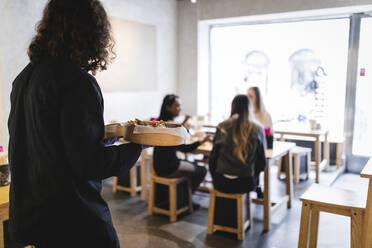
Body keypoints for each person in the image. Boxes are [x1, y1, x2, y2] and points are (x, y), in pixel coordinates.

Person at [7, 0, 144, 247]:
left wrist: (101, 137)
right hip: (72, 222)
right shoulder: (78, 82)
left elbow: (47, 143)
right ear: (92, 31)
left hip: (33, 219)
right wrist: (138, 144)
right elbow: (90, 164)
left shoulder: (23, 80)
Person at [153, 94, 209, 198]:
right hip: (170, 167)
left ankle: (184, 198)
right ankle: (187, 199)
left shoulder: (160, 122)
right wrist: (201, 141)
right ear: (168, 107)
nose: (180, 108)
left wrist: (183, 125)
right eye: (177, 106)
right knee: (202, 170)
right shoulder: (171, 125)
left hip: (158, 165)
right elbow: (184, 149)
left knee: (190, 165)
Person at [208, 95, 267, 194]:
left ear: (233, 107)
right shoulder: (257, 129)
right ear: (249, 108)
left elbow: (213, 158)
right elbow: (262, 163)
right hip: (246, 183)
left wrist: (215, 176)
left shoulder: (222, 126)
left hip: (221, 182)